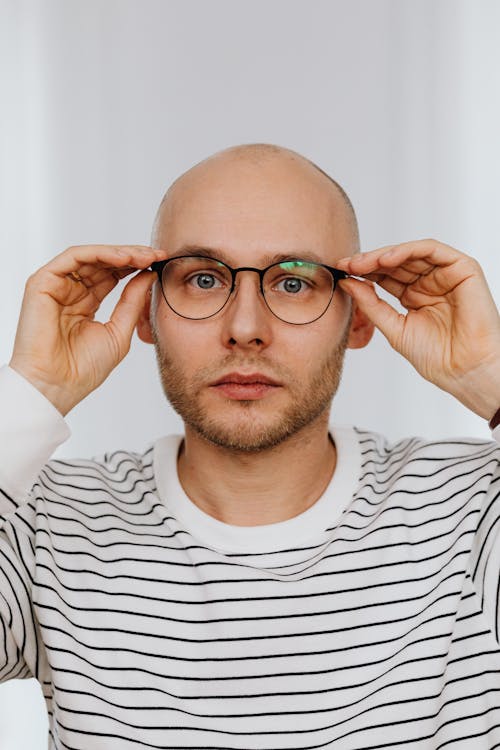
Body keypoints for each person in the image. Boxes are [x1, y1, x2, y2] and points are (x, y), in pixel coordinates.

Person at [1, 143, 499, 750]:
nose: (244, 329)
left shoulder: (473, 513)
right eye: (203, 279)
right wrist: (32, 392)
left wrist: (491, 375)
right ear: (145, 313)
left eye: (293, 282)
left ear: (360, 315)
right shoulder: (44, 521)